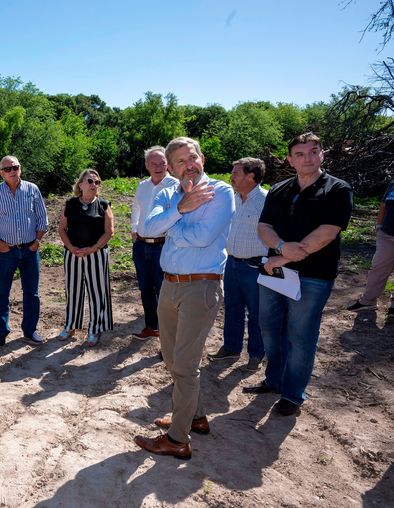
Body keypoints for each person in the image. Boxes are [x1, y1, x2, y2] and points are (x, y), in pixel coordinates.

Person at [134, 136, 235, 459]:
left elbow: (203, 238)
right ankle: (195, 416)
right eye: (180, 161)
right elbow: (149, 228)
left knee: (186, 365)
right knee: (173, 359)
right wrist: (180, 209)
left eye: (192, 158)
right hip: (169, 285)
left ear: (201, 158)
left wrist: (171, 223)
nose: (188, 165)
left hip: (200, 287)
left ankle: (177, 439)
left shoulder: (220, 192)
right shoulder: (168, 193)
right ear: (173, 168)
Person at [243, 132, 352, 417]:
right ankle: (274, 380)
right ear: (290, 159)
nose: (307, 158)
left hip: (313, 276)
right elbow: (263, 227)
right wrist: (280, 247)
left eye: (313, 152)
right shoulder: (280, 189)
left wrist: (284, 254)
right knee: (270, 327)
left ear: (322, 154)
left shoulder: (337, 190)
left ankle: (292, 395)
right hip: (275, 273)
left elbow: (326, 233)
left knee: (300, 336)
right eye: (300, 154)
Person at [0, 155, 49, 346]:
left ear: (20, 169)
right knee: (2, 292)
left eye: (15, 167)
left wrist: (37, 241)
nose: (12, 171)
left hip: (30, 250)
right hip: (6, 251)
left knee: (32, 293)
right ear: (1, 173)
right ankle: (1, 332)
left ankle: (30, 330)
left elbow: (42, 218)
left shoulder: (32, 189)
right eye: (8, 169)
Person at [207, 157, 267, 370]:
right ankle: (231, 348)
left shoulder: (266, 201)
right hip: (231, 263)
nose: (231, 177)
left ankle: (256, 354)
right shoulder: (233, 199)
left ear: (250, 176)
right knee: (232, 307)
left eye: (235, 173)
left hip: (255, 266)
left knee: (256, 311)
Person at [56, 169, 114, 346]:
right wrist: (71, 247)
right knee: (72, 290)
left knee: (97, 293)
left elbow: (109, 232)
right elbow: (62, 229)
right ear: (80, 184)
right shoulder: (71, 204)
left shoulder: (103, 205)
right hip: (72, 254)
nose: (94, 185)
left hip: (95, 255)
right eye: (90, 181)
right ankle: (70, 325)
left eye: (97, 182)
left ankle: (94, 329)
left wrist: (93, 248)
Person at [130, 146, 179, 340]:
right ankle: (151, 326)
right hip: (141, 246)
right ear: (146, 165)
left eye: (162, 163)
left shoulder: (176, 186)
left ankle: (169, 336)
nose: (158, 166)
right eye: (154, 163)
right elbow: (136, 208)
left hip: (164, 245)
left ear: (168, 164)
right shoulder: (143, 186)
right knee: (145, 288)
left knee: (165, 291)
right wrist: (134, 229)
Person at [346, 179, 394, 315]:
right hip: (386, 235)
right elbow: (383, 205)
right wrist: (379, 226)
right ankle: (368, 301)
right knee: (377, 268)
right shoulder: (393, 183)